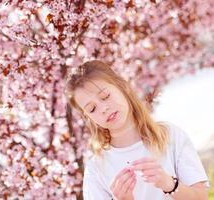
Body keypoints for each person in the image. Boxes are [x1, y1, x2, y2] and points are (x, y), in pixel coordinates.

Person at [64, 60, 210, 200]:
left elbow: (201, 197)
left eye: (105, 96)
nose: (103, 109)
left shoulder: (170, 136)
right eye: (92, 109)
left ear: (122, 86)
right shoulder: (96, 168)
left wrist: (169, 184)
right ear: (88, 117)